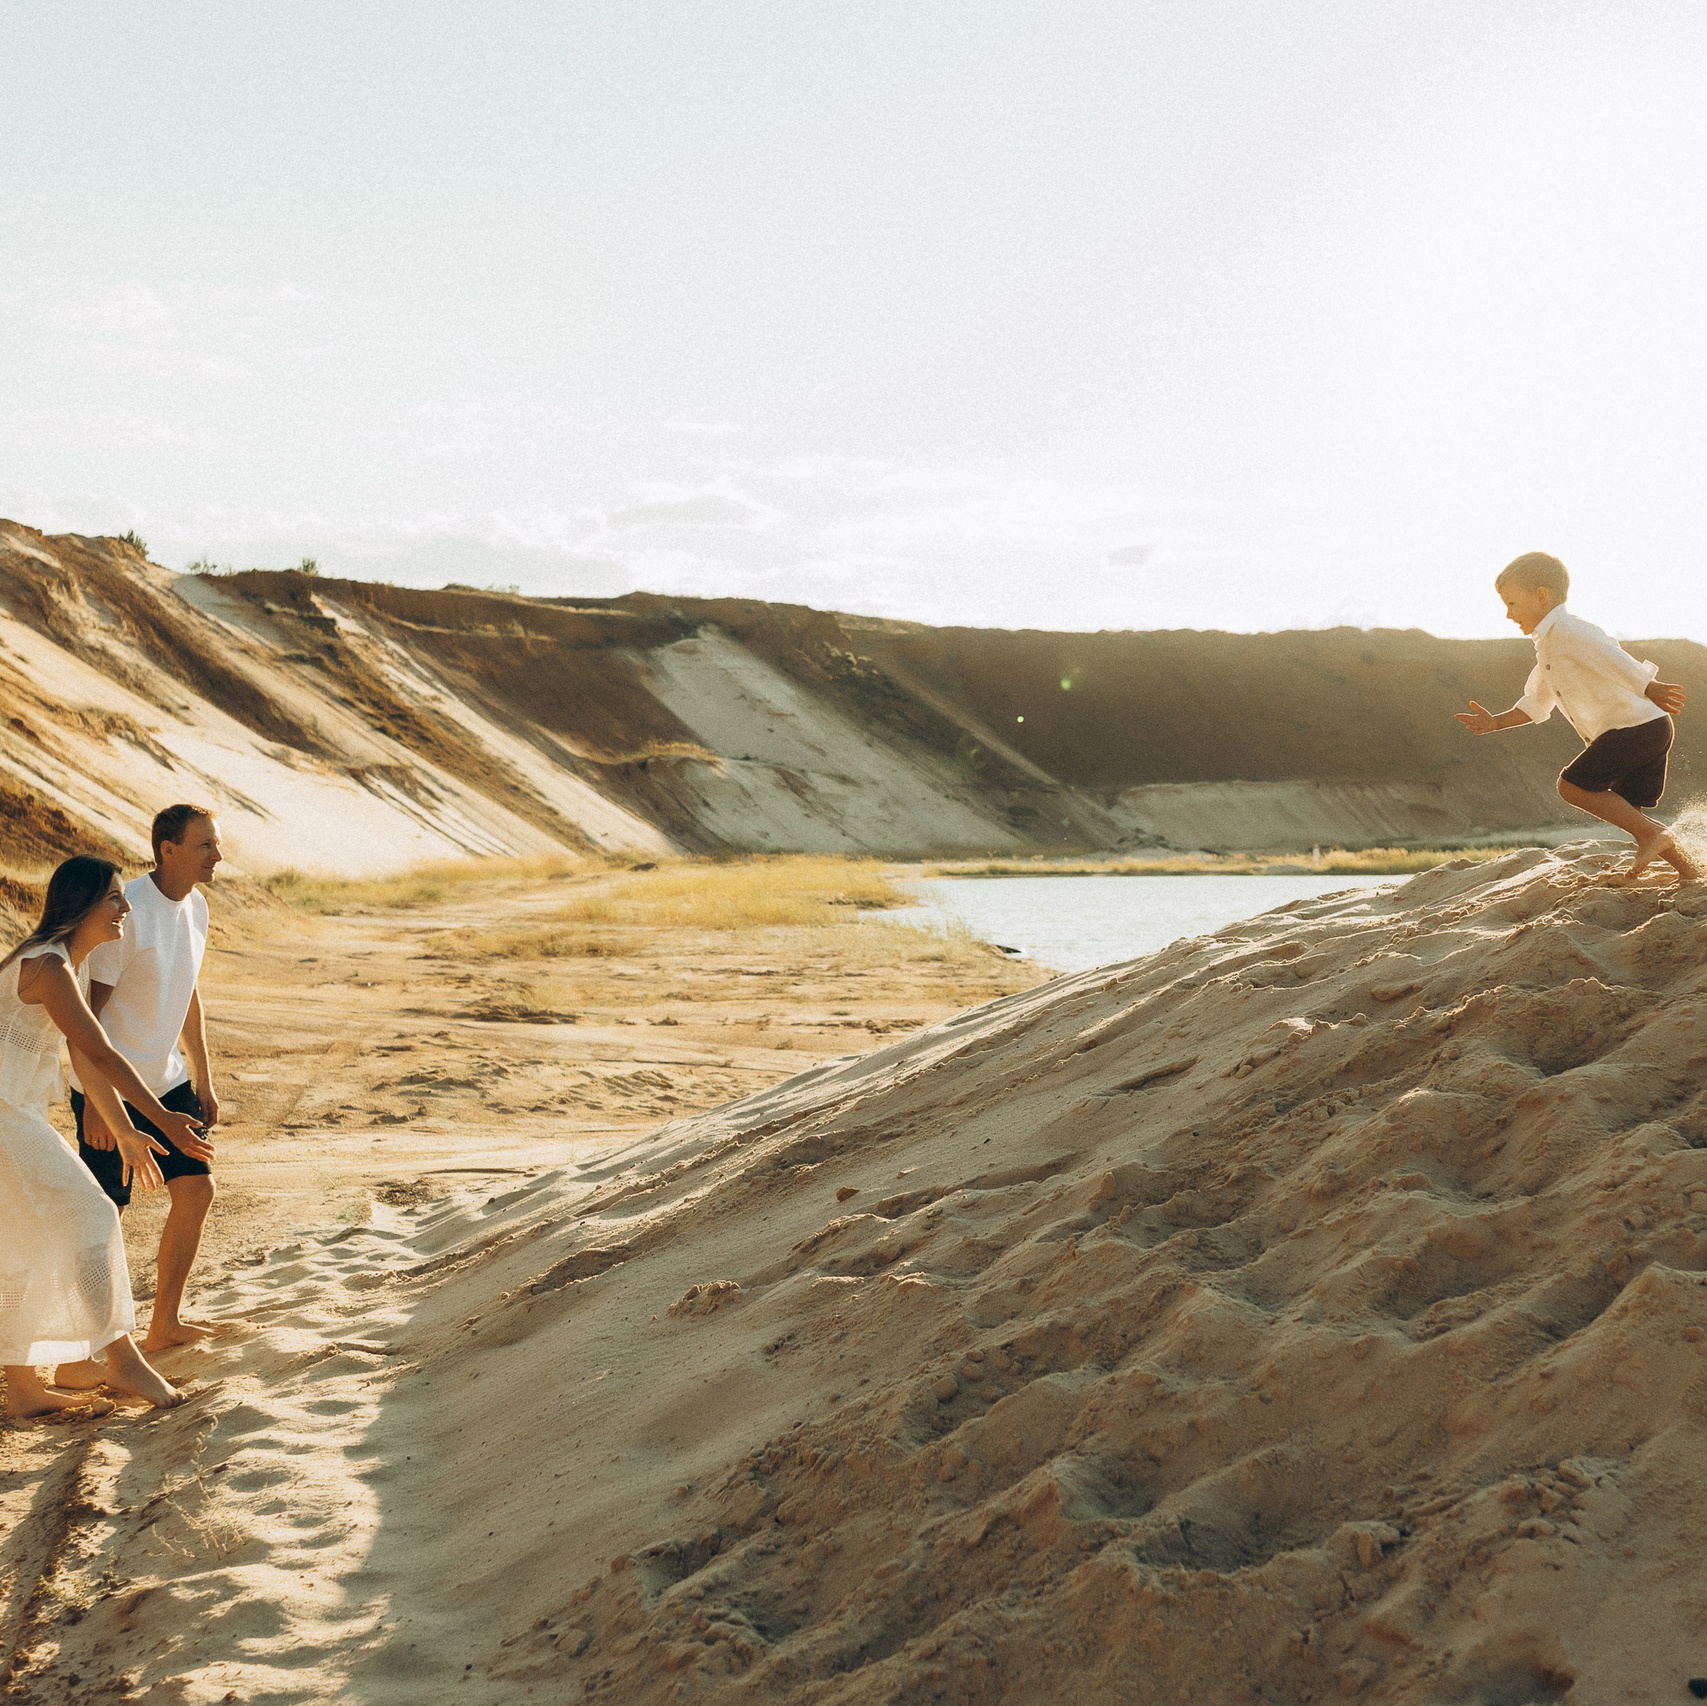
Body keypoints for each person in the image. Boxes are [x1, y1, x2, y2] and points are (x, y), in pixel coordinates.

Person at [0, 856, 209, 1417]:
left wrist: (125, 1131)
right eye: (115, 898)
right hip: (4, 1115)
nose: (126, 907)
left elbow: (83, 1058)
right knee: (93, 1212)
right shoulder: (48, 966)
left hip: (14, 1112)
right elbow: (100, 1052)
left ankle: (24, 1390)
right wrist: (160, 1118)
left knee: (23, 1241)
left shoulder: (65, 963)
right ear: (83, 905)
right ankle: (120, 1358)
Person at [53, 806, 224, 1390]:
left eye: (216, 844)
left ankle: (164, 1324)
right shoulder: (126, 913)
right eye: (205, 845)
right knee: (106, 1215)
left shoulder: (197, 906)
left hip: (167, 1078)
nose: (217, 856)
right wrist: (100, 1107)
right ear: (168, 849)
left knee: (196, 1189)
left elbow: (188, 991)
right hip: (109, 1086)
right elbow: (86, 1025)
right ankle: (82, 1349)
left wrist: (203, 1074)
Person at [1456, 551, 1701, 883]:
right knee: (1628, 811)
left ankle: (1652, 838)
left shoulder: (1569, 631)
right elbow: (1537, 701)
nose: (1508, 614)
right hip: (1646, 726)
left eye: (1512, 603)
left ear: (1541, 595)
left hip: (1637, 726)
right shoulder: (1548, 646)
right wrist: (1496, 722)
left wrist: (1649, 685)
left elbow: (1611, 656)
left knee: (1571, 786)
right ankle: (1689, 871)